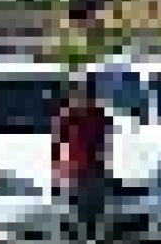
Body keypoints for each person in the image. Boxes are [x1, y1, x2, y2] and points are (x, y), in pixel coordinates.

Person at [53, 81, 111, 242]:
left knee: (92, 208)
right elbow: (57, 141)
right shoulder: (67, 115)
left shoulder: (95, 114)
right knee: (75, 207)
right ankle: (77, 234)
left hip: (92, 168)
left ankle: (89, 234)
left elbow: (103, 140)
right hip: (74, 167)